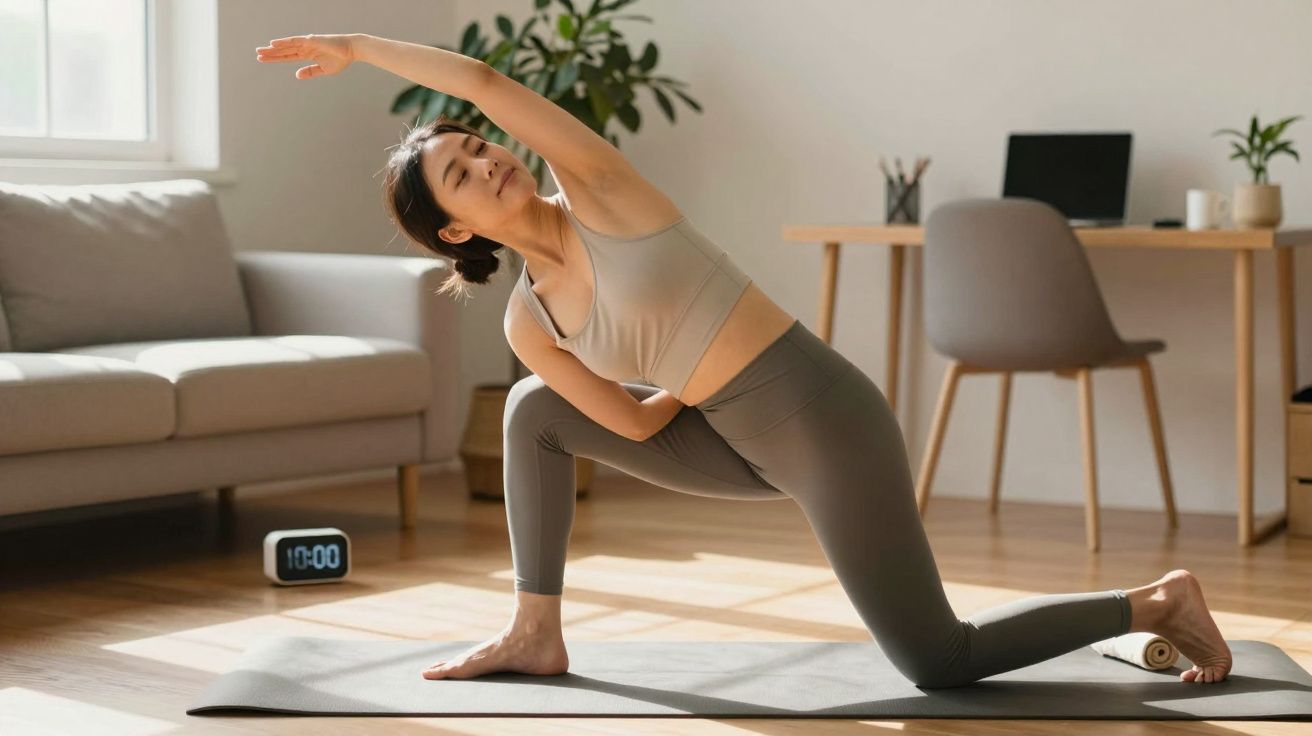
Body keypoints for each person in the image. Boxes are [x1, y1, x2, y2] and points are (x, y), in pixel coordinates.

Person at [255, 32, 1233, 687]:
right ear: (454, 227)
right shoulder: (527, 322)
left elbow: (490, 84)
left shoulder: (596, 187)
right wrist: (678, 370)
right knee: (529, 413)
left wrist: (358, 45)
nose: (486, 161)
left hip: (822, 420)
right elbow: (635, 422)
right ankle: (536, 628)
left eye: (476, 146)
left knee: (935, 659)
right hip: (727, 440)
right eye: (459, 175)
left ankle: (1154, 600)